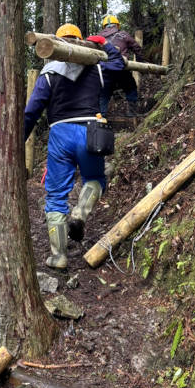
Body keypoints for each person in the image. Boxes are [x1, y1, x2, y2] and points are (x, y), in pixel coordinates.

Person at [24, 23, 124, 269]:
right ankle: (80, 213)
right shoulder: (96, 66)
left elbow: (32, 111)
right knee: (96, 179)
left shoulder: (49, 71)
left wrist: (19, 139)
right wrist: (106, 44)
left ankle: (58, 256)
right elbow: (119, 65)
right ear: (81, 42)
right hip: (91, 130)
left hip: (60, 133)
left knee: (56, 195)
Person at [96, 14, 144, 116]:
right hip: (121, 67)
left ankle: (101, 117)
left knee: (104, 92)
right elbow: (137, 48)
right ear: (117, 25)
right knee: (130, 87)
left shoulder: (98, 36)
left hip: (105, 69)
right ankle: (132, 112)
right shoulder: (123, 34)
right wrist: (140, 63)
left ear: (104, 27)